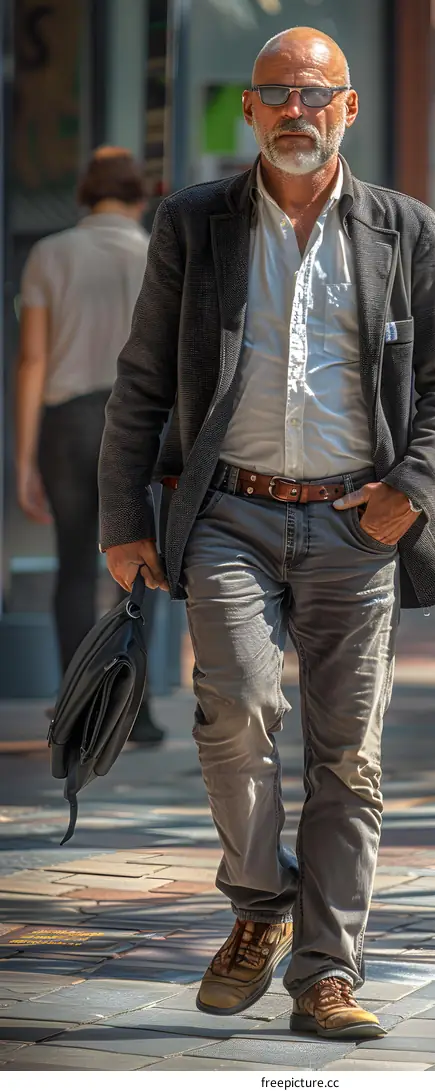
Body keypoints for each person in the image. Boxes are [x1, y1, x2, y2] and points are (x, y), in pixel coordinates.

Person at [99, 28, 435, 1038]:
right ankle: (261, 901)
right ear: (250, 111)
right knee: (232, 704)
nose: (295, 111)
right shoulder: (196, 224)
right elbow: (141, 383)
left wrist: (409, 490)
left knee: (347, 757)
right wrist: (121, 519)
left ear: (348, 109)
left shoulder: (405, 229)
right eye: (276, 94)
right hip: (230, 510)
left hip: (358, 525)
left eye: (314, 95)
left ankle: (326, 974)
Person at [16, 146, 165, 744]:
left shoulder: (50, 254)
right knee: (143, 567)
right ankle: (138, 711)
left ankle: (77, 710)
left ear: (85, 195)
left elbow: (31, 361)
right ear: (139, 197)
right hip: (144, 421)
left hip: (69, 421)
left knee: (76, 567)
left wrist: (24, 457)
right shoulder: (157, 253)